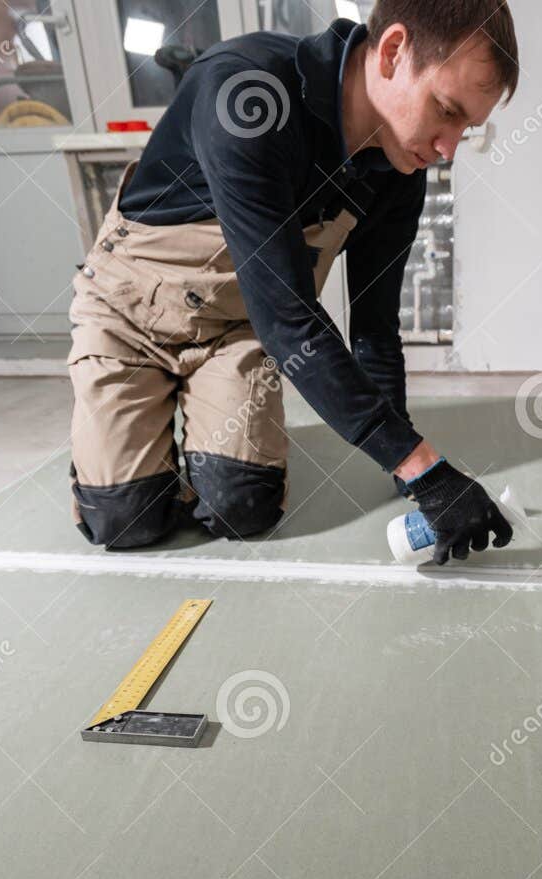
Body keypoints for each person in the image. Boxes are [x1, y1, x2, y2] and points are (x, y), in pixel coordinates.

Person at [66, 0, 518, 565]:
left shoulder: (399, 170)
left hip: (239, 329)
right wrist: (426, 469)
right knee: (126, 519)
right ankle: (127, 435)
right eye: (446, 110)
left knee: (241, 508)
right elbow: (289, 317)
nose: (448, 148)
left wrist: (405, 465)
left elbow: (374, 328)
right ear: (393, 51)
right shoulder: (247, 95)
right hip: (129, 314)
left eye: (466, 129)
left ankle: (195, 428)